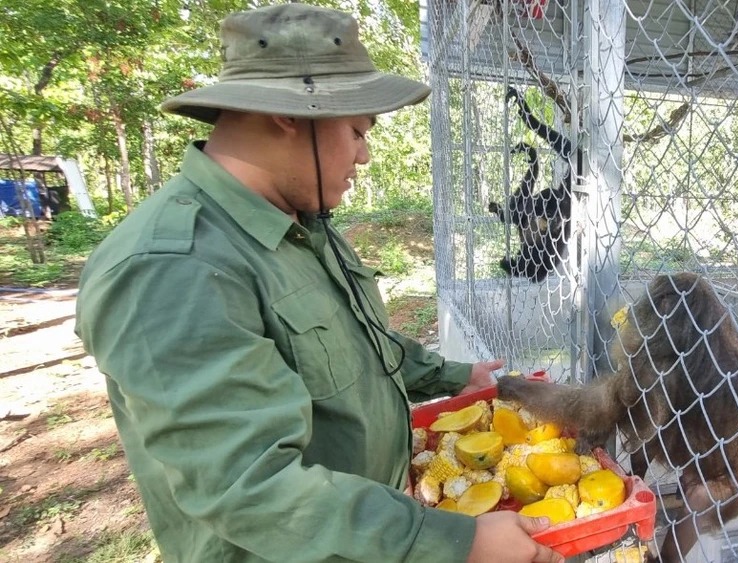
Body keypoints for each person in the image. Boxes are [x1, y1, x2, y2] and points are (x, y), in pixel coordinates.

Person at [74, 3, 564, 563]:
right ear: (293, 116)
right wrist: (451, 543)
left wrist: (454, 376)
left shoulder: (299, 224)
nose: (364, 155)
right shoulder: (171, 268)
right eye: (356, 131)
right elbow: (248, 487)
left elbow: (353, 345)